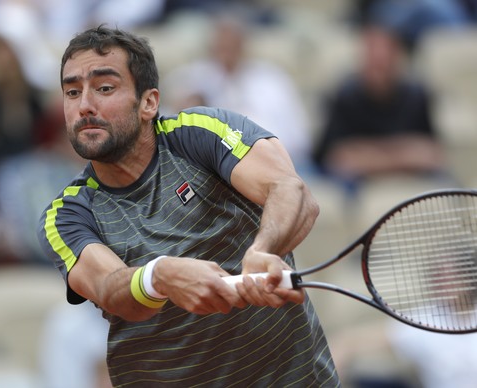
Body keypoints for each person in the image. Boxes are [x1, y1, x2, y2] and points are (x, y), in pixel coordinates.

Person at [37, 26, 339, 387]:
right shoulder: (68, 214)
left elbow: (291, 191)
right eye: (72, 92)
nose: (85, 105)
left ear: (148, 102)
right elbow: (111, 289)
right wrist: (160, 275)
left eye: (104, 88)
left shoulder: (200, 133)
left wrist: (263, 250)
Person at [162, 15, 313, 175]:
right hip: (213, 169)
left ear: (244, 46)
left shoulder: (272, 80)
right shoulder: (192, 78)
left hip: (275, 162)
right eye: (221, 46)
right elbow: (167, 123)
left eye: (232, 46)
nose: (226, 54)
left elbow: (298, 137)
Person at [313, 24, 447, 192]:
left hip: (411, 178)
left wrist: (368, 154)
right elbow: (337, 158)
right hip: (357, 184)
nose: (379, 61)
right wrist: (403, 153)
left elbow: (431, 154)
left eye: (384, 58)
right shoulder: (344, 94)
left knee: (445, 182)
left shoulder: (417, 94)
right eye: (373, 57)